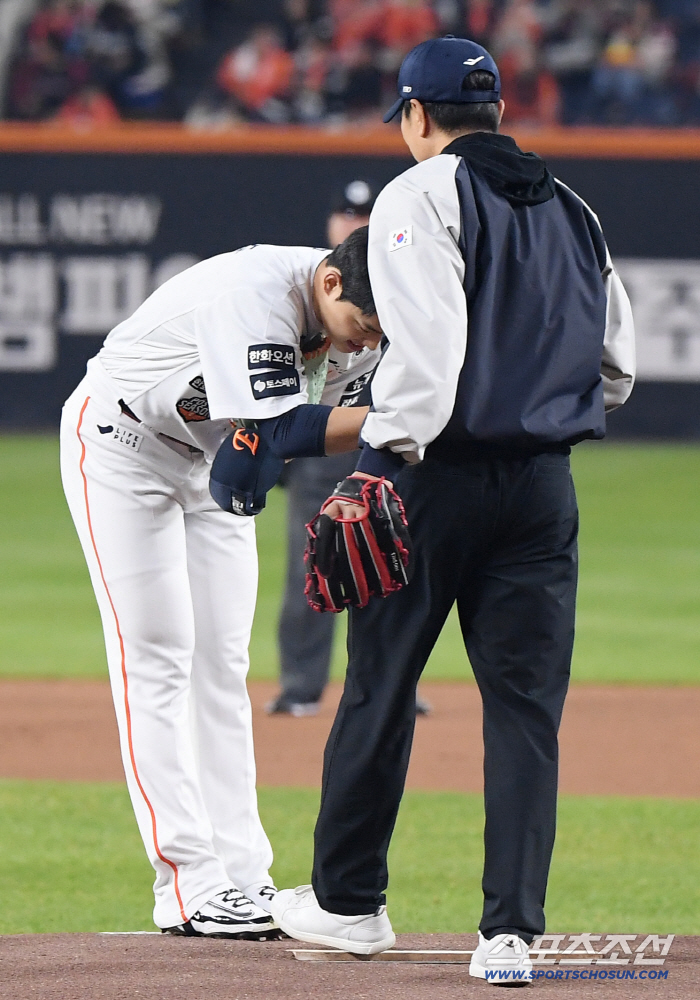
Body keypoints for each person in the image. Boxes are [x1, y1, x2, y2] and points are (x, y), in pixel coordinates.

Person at [271, 36, 636, 982]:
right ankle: (510, 933)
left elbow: (426, 372)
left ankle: (350, 904)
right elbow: (617, 370)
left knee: (380, 685)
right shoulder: (575, 207)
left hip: (432, 475)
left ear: (417, 116)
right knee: (524, 711)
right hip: (544, 491)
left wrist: (371, 466)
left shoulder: (419, 194)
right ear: (499, 113)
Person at [60, 232, 382, 938]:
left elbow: (270, 452)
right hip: (121, 447)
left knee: (223, 666)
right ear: (330, 286)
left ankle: (242, 876)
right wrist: (401, 423)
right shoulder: (257, 293)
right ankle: (186, 883)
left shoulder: (362, 325)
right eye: (363, 327)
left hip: (213, 466)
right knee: (158, 656)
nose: (365, 345)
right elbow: (283, 427)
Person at [268, 180, 432, 718]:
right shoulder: (308, 296)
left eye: (365, 213)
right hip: (320, 446)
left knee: (391, 564)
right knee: (310, 566)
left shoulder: (400, 290)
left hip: (385, 448)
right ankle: (300, 687)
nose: (355, 221)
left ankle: (394, 687)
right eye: (347, 212)